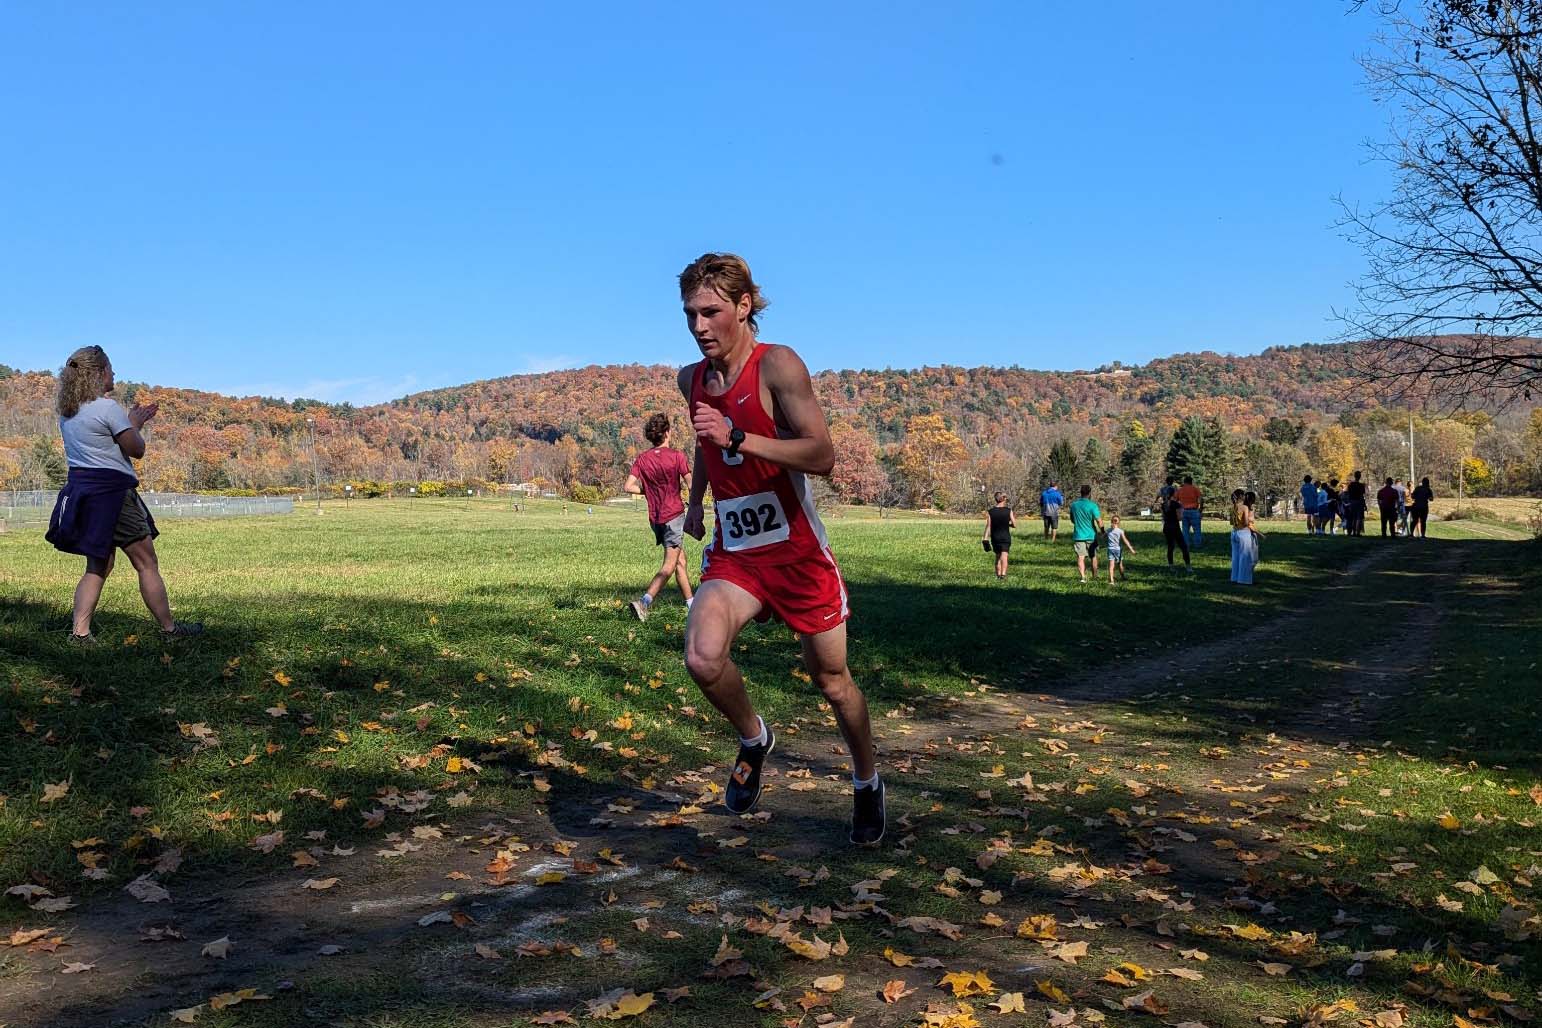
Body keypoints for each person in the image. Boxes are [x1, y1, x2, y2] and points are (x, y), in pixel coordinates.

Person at [674, 253, 882, 846]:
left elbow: (822, 455)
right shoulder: (691, 379)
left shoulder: (778, 367)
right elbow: (705, 443)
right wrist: (696, 500)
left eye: (711, 311)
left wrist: (742, 436)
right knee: (702, 656)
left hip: (797, 554)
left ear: (743, 307)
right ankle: (753, 738)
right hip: (738, 554)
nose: (699, 325)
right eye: (690, 314)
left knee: (832, 681)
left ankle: (866, 782)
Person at [44, 346, 202, 644]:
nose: (114, 374)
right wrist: (135, 423)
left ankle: (79, 634)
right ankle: (170, 631)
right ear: (99, 373)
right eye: (111, 369)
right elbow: (136, 449)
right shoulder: (107, 408)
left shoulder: (67, 414)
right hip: (113, 495)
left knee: (98, 565)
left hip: (85, 494)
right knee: (146, 563)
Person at [624, 413, 695, 621]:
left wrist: (648, 491)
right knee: (669, 564)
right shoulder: (676, 456)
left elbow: (628, 486)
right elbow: (692, 484)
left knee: (680, 560)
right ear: (667, 433)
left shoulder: (642, 459)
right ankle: (644, 602)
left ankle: (693, 606)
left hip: (656, 519)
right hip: (674, 515)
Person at [1068, 484, 1103, 583]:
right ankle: (1095, 576)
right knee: (1093, 556)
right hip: (1091, 535)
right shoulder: (1092, 505)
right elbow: (1099, 520)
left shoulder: (1074, 505)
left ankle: (1083, 577)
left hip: (1079, 535)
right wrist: (1103, 531)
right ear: (1089, 493)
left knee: (1080, 557)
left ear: (1081, 492)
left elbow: (1072, 519)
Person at [1229, 488, 1261, 585]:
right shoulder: (1244, 507)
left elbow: (1231, 522)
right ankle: (1244, 580)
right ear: (1241, 497)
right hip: (1243, 533)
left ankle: (1234, 578)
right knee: (1245, 557)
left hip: (1234, 532)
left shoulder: (1233, 507)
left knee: (1236, 557)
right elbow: (1246, 522)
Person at [982, 491, 1016, 579]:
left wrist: (985, 538)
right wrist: (1007, 524)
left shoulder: (991, 512)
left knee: (997, 556)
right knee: (1004, 555)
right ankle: (1003, 575)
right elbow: (1014, 524)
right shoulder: (1008, 511)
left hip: (995, 537)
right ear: (1003, 499)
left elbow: (988, 526)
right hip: (1005, 537)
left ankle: (998, 575)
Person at [1161, 491, 1192, 572]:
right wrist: (1182, 510)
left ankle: (1171, 567)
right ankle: (1188, 567)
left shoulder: (1163, 504)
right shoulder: (1176, 504)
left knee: (1170, 547)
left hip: (1167, 527)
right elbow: (1179, 518)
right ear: (1173, 494)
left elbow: (1163, 517)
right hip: (1175, 528)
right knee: (1184, 547)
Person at [1175, 475, 1203, 550]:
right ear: (1191, 482)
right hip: (1194, 511)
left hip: (1184, 511)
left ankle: (1186, 545)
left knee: (1185, 530)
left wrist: (1178, 509)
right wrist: (1200, 509)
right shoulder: (1195, 489)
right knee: (1197, 529)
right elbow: (1201, 499)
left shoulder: (1180, 490)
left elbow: (1175, 500)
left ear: (1184, 482)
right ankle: (1197, 545)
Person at [1105, 514, 1135, 583]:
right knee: (1120, 564)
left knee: (1111, 565)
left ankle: (1111, 581)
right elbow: (1125, 540)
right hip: (1118, 550)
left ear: (1111, 521)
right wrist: (1131, 549)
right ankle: (1123, 577)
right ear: (1119, 522)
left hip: (1110, 549)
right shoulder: (1120, 531)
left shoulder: (1108, 530)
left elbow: (1102, 536)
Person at [1344, 471, 1367, 536]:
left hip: (1352, 502)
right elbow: (1362, 496)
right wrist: (1364, 504)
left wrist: (1348, 502)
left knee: (1351, 517)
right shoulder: (1361, 485)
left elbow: (1348, 494)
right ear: (1360, 476)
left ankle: (1350, 532)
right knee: (1358, 518)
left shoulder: (1350, 485)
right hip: (1359, 502)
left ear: (1354, 476)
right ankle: (1357, 533)